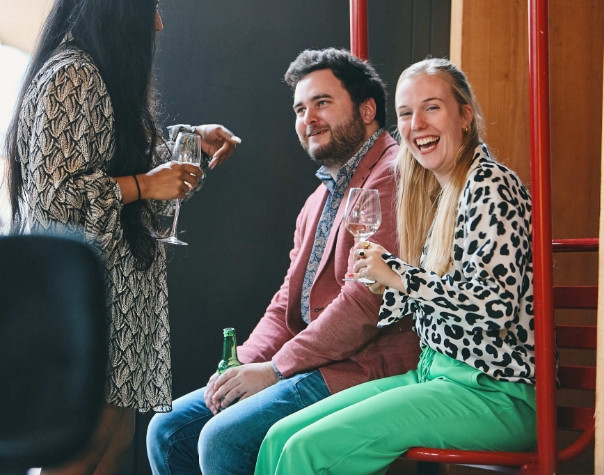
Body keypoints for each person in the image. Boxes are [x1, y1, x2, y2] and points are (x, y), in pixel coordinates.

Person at [254, 57, 536, 475]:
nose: (417, 123)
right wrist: (377, 282)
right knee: (280, 437)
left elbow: (492, 307)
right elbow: (425, 303)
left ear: (465, 114)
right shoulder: (438, 192)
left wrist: (397, 276)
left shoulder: (490, 185)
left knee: (305, 452)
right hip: (433, 376)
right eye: (406, 113)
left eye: (432, 107)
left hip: (494, 391)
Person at [146, 48, 420, 474]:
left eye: (322, 103)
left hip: (365, 367)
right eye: (299, 108)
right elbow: (287, 301)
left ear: (367, 110)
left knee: (223, 438)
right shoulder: (320, 196)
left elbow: (366, 305)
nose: (307, 118)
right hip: (313, 361)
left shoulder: (394, 174)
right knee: (167, 429)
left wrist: (275, 369)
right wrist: (238, 368)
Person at [3, 0, 240, 473]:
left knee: (113, 443)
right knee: (82, 448)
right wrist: (147, 185)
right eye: (150, 8)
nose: (158, 23)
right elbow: (55, 198)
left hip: (114, 298)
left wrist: (189, 138)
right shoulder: (73, 76)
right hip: (87, 301)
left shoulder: (99, 77)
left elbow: (111, 151)